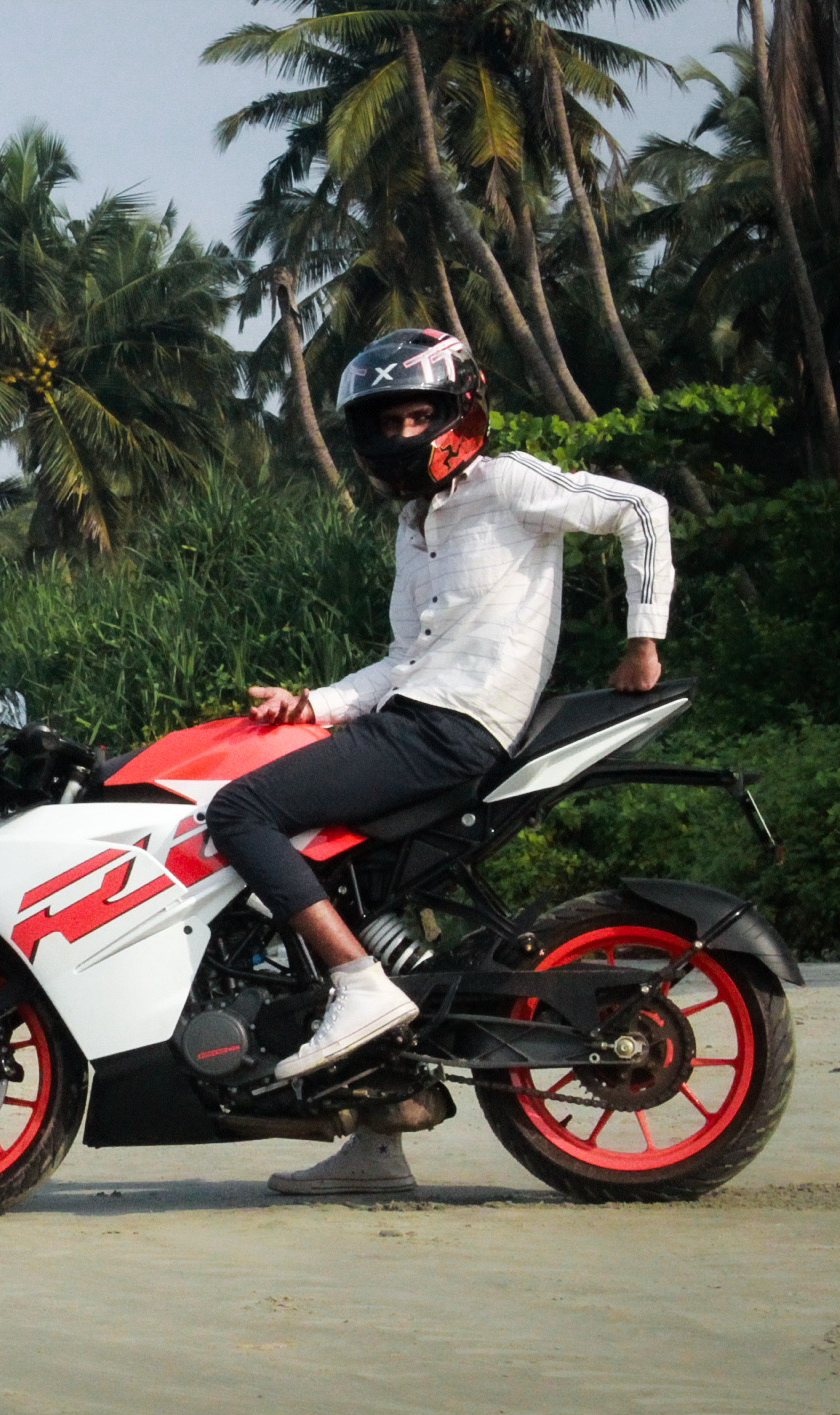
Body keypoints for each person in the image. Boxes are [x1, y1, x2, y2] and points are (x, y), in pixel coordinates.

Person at [204, 328, 675, 1197]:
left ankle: (357, 984)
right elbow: (397, 661)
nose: (401, 433)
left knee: (238, 812)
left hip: (454, 727)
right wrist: (311, 704)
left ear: (460, 409)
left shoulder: (509, 484)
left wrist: (643, 637)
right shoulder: (415, 524)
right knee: (352, 886)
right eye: (385, 420)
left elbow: (641, 508)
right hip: (414, 712)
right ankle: (380, 1142)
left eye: (418, 413)